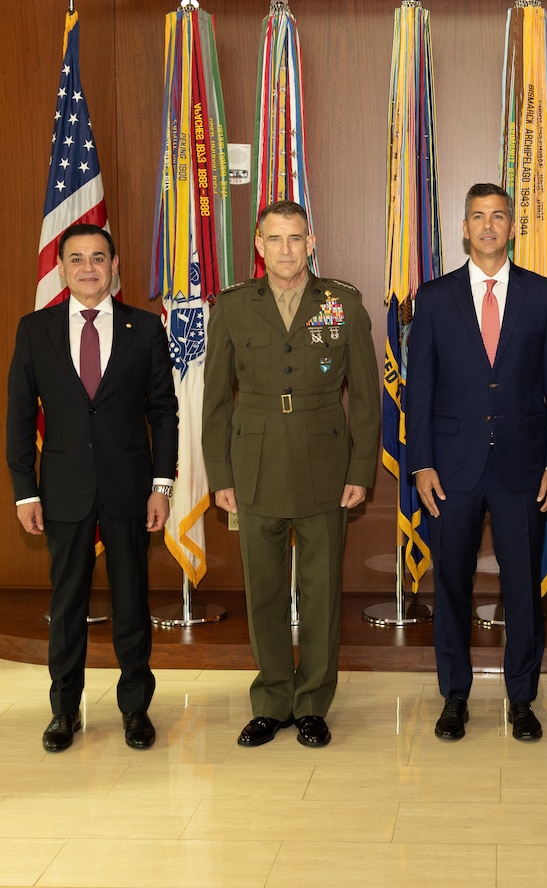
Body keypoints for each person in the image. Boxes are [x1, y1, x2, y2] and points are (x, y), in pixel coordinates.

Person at [202, 199, 380, 749]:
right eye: (275, 239)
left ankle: (313, 703)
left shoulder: (342, 303)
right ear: (259, 245)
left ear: (311, 242)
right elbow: (215, 400)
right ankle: (272, 701)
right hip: (253, 465)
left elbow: (366, 397)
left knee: (321, 592)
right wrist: (220, 474)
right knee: (264, 591)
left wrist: (361, 469)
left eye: (295, 238)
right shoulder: (232, 306)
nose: (286, 249)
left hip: (324, 464)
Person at [410, 183, 547, 742]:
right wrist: (421, 463)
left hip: (523, 469)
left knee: (523, 588)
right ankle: (454, 695)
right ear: (464, 228)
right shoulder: (434, 298)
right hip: (449, 470)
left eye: (498, 216)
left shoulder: (544, 296)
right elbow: (420, 390)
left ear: (511, 228)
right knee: (451, 586)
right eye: (478, 216)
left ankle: (522, 698)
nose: (487, 225)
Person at [5, 224, 178, 753]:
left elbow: (164, 412)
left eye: (98, 258)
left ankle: (135, 709)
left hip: (130, 487)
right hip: (63, 488)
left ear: (114, 265)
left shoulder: (143, 328)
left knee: (131, 601)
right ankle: (64, 710)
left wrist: (162, 485)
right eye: (76, 259)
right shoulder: (35, 329)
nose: (88, 268)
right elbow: (19, 415)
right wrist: (25, 491)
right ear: (61, 268)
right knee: (67, 604)